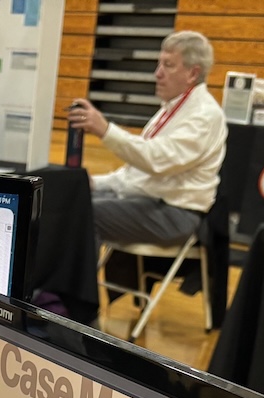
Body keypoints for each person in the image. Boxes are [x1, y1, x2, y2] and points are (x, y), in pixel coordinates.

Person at [68, 30, 225, 248]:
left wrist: (105, 130)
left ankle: (77, 273)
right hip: (146, 200)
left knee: (82, 213)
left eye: (168, 65)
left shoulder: (204, 115)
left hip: (175, 214)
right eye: (159, 64)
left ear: (192, 73)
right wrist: (96, 182)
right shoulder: (171, 108)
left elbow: (156, 161)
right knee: (69, 200)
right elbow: (136, 174)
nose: (157, 73)